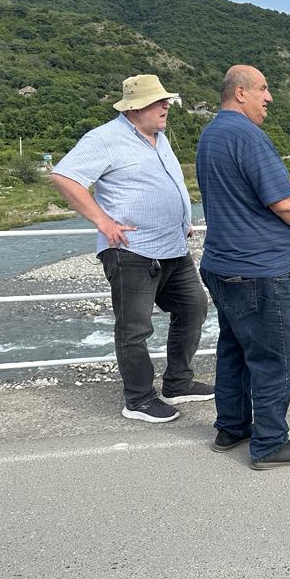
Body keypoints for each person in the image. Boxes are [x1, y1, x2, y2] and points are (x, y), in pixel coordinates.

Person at [51, 74, 211, 424]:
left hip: (172, 247)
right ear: (135, 108)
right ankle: (138, 399)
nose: (166, 106)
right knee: (134, 328)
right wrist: (102, 221)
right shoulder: (105, 138)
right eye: (158, 101)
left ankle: (177, 383)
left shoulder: (160, 137)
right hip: (132, 251)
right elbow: (64, 177)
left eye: (165, 100)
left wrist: (182, 217)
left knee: (194, 308)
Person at [196, 64, 290, 470]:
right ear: (240, 93)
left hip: (223, 264)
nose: (269, 97)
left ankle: (232, 427)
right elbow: (285, 203)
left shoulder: (211, 134)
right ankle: (269, 444)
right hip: (258, 269)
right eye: (263, 89)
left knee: (235, 349)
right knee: (279, 360)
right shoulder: (248, 136)